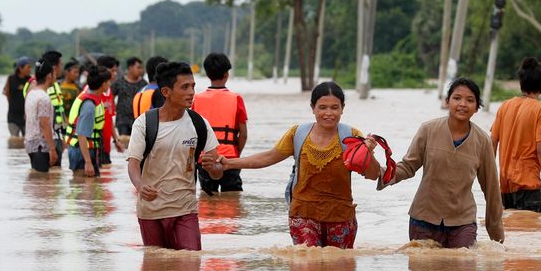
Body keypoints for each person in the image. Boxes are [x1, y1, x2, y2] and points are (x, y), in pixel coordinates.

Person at [211, 81, 381, 249]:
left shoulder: (352, 136)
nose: (328, 113)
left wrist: (368, 153)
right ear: (312, 108)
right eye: (322, 107)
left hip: (341, 218)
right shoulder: (298, 134)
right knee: (305, 269)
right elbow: (268, 157)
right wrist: (228, 163)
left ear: (342, 108)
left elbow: (373, 175)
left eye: (334, 107)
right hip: (302, 216)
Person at [378, 78, 504, 249]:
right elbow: (407, 166)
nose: (463, 104)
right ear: (447, 102)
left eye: (470, 100)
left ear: (477, 107)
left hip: (463, 222)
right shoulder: (428, 130)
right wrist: (380, 172)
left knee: (461, 270)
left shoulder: (483, 142)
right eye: (457, 98)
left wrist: (497, 240)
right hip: (423, 219)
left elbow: (491, 190)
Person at [126, 62, 222, 251]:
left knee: (189, 266)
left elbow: (218, 173)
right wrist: (140, 186)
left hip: (185, 210)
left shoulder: (199, 124)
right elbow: (133, 164)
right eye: (184, 87)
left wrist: (213, 168)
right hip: (150, 211)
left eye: (193, 86)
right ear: (166, 92)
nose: (191, 92)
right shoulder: (144, 124)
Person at [491, 57, 541, 212]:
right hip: (528, 184)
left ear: (521, 82)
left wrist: (490, 180)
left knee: (511, 232)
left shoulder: (504, 106)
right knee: (531, 232)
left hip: (504, 186)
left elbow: (492, 143)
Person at [192, 53, 248, 192]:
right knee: (232, 201)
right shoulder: (236, 99)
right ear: (226, 74)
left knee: (207, 200)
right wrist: (236, 153)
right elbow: (244, 134)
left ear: (207, 74)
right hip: (230, 158)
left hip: (205, 159)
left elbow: (191, 132)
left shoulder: (196, 99)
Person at [65, 65, 108, 177]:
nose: (109, 84)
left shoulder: (91, 98)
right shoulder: (89, 106)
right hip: (81, 152)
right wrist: (88, 163)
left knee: (89, 189)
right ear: (103, 84)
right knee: (84, 189)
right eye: (108, 82)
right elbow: (82, 135)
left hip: (83, 150)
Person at [24, 58, 58, 172]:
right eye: (54, 74)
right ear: (49, 76)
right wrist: (52, 149)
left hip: (30, 144)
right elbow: (44, 124)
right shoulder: (44, 98)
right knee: (42, 184)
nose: (55, 77)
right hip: (40, 145)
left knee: (37, 182)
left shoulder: (31, 93)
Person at [40, 50, 67, 167]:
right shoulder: (40, 86)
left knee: (55, 174)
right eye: (60, 64)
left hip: (58, 133)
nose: (62, 67)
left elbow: (60, 110)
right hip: (47, 136)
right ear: (55, 66)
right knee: (49, 171)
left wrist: (65, 135)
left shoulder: (56, 84)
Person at [96, 55, 124, 164]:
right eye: (112, 71)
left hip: (106, 144)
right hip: (96, 144)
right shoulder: (93, 92)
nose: (115, 74)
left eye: (116, 71)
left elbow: (109, 119)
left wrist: (116, 140)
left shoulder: (110, 91)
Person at [111, 56, 147, 135]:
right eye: (138, 67)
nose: (141, 70)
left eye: (141, 68)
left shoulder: (143, 83)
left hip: (139, 120)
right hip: (122, 120)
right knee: (124, 143)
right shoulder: (119, 82)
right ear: (130, 68)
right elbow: (111, 96)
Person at [3, 56, 31, 137]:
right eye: (28, 67)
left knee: (27, 140)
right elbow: (6, 93)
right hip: (13, 116)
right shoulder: (11, 79)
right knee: (14, 139)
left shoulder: (30, 80)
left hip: (26, 117)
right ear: (20, 68)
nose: (30, 69)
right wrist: (12, 105)